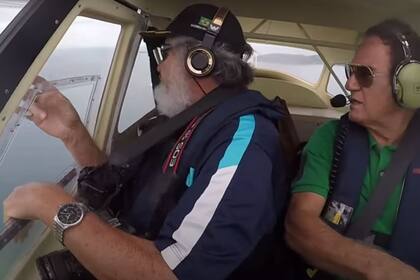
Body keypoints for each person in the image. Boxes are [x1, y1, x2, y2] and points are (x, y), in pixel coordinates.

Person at [4, 4, 290, 280]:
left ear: (199, 61)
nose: (160, 66)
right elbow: (118, 194)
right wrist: (73, 133)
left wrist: (49, 204)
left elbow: (171, 273)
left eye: (166, 53)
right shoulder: (181, 119)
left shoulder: (244, 142)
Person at [285, 19, 420, 280]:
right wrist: (377, 267)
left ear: (408, 84)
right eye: (351, 71)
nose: (349, 85)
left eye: (364, 74)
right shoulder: (332, 138)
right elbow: (299, 224)